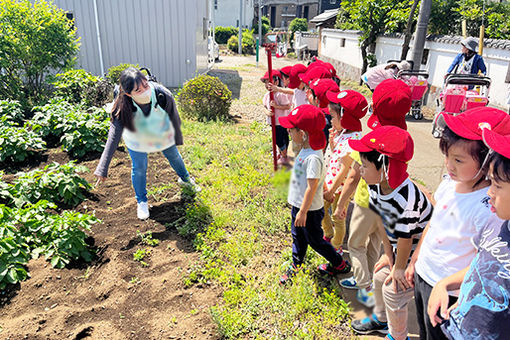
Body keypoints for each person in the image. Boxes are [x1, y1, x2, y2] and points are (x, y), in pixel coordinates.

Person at [407, 107, 510, 340]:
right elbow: (434, 223)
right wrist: (416, 258)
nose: (449, 165)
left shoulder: (489, 208)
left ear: (486, 161)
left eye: (458, 160)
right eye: (447, 157)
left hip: (450, 291)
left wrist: (463, 295)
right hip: (427, 275)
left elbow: (483, 262)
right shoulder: (448, 184)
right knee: (424, 330)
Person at [349, 126, 433, 340]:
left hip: (420, 255)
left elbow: (406, 239)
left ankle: (398, 336)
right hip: (400, 250)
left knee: (392, 292)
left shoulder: (406, 199)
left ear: (385, 167)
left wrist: (399, 268)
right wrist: (388, 254)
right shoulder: (376, 186)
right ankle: (381, 319)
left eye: (365, 166)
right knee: (378, 277)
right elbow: (382, 222)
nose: (360, 170)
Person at [334, 79, 412, 308]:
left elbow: (353, 176)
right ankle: (366, 280)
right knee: (374, 244)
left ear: (375, 107)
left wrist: (341, 203)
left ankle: (365, 285)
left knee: (356, 244)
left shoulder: (372, 140)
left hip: (366, 202)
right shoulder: (403, 138)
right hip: (390, 205)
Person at [94, 67, 198, 220]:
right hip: (135, 133)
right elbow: (114, 135)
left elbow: (173, 116)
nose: (145, 91)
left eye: (145, 85)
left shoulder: (162, 94)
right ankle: (141, 201)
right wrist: (103, 167)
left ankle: (186, 180)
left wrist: (174, 139)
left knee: (173, 155)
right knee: (139, 166)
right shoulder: (122, 105)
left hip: (159, 127)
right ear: (128, 93)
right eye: (138, 90)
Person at [278, 104, 351, 284]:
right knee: (298, 237)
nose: (288, 132)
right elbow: (318, 181)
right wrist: (325, 192)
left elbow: (311, 187)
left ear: (302, 133)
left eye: (291, 130)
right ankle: (297, 264)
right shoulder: (306, 150)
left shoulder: (313, 157)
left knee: (316, 241)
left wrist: (303, 212)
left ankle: (338, 264)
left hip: (309, 210)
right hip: (300, 206)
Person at [321, 90, 368, 255]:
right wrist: (333, 143)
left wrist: (332, 191)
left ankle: (336, 246)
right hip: (332, 182)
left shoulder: (352, 140)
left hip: (340, 187)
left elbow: (344, 169)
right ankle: (328, 234)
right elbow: (336, 154)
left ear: (345, 118)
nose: (330, 120)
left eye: (333, 117)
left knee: (337, 216)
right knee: (322, 210)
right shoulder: (343, 132)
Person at [261, 69, 292, 165]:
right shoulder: (267, 95)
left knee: (281, 139)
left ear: (276, 81)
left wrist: (276, 107)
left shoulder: (280, 94)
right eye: (265, 82)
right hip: (273, 122)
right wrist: (267, 112)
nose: (267, 85)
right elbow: (264, 107)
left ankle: (284, 155)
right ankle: (281, 152)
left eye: (269, 82)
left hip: (281, 121)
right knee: (277, 138)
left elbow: (287, 106)